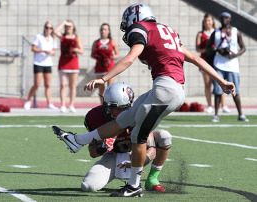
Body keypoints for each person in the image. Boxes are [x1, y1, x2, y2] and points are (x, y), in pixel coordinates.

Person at [52, 3, 235, 197]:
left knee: (137, 137)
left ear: (135, 18)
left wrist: (103, 79)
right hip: (171, 88)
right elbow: (196, 59)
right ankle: (77, 140)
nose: (126, 27)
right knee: (125, 118)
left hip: (165, 90)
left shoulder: (140, 29)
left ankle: (133, 186)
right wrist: (222, 81)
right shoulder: (167, 31)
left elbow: (131, 58)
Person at [79, 82, 170, 193]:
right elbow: (92, 152)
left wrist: (138, 164)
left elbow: (151, 149)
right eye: (111, 107)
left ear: (128, 106)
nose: (114, 112)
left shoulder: (139, 113)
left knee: (164, 136)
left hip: (136, 153)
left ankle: (152, 179)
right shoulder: (95, 117)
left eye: (119, 108)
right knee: (88, 186)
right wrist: (103, 147)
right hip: (113, 155)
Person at [206, 12, 248, 122]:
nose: (224, 19)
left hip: (233, 65)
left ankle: (241, 114)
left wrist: (236, 54)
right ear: (219, 19)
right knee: (218, 90)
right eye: (222, 18)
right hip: (219, 64)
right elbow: (208, 48)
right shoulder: (216, 32)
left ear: (229, 19)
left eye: (226, 18)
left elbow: (243, 47)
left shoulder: (235, 31)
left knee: (236, 91)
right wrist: (217, 50)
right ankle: (216, 114)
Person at [195, 13, 230, 114]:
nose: (207, 22)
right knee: (207, 84)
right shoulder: (201, 34)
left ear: (213, 21)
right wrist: (208, 49)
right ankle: (210, 105)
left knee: (220, 82)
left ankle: (223, 105)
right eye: (206, 21)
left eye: (209, 20)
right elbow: (198, 49)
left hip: (216, 61)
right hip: (205, 61)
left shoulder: (218, 32)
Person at [24, 21, 58, 110]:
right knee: (37, 84)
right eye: (47, 27)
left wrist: (51, 52)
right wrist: (43, 50)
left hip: (48, 63)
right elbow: (33, 48)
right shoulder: (39, 37)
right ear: (44, 28)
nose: (48, 29)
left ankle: (49, 103)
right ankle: (28, 101)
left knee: (47, 85)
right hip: (38, 63)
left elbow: (54, 51)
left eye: (50, 28)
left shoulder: (52, 39)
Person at [54, 20, 84, 113]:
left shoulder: (77, 37)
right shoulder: (62, 36)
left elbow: (82, 51)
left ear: (73, 27)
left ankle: (71, 105)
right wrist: (63, 23)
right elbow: (55, 32)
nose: (68, 28)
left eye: (69, 26)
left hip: (73, 62)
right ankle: (63, 105)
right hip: (63, 63)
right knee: (63, 85)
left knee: (72, 85)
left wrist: (75, 49)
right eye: (66, 26)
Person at [91, 23, 120, 103]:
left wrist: (108, 57)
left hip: (109, 67)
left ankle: (110, 105)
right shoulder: (96, 42)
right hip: (99, 67)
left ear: (109, 31)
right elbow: (92, 55)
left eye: (105, 29)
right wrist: (100, 57)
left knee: (110, 88)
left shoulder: (112, 42)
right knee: (101, 88)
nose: (103, 31)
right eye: (101, 29)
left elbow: (117, 55)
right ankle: (102, 105)